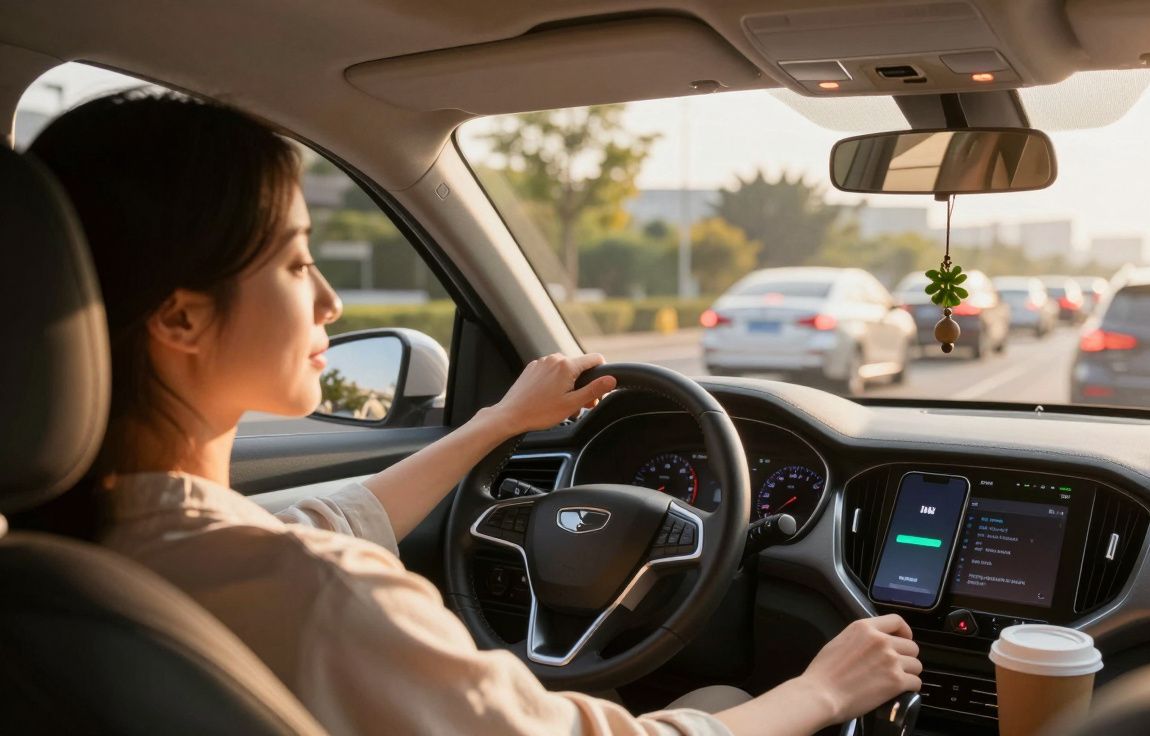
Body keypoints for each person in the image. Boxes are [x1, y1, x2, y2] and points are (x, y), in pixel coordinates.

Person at [25, 90, 922, 735]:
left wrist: (497, 424)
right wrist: (820, 693)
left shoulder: (72, 552)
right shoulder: (322, 596)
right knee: (727, 707)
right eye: (298, 264)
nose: (330, 301)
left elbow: (329, 520)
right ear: (180, 316)